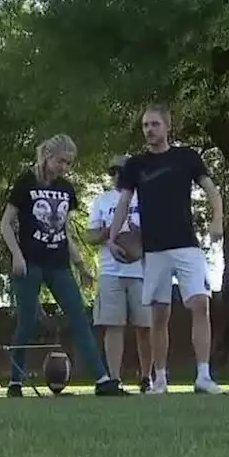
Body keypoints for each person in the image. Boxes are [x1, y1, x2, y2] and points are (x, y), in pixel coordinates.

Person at [108, 103, 225, 395]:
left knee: (200, 304)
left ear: (167, 126)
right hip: (154, 251)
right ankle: (160, 380)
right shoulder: (135, 165)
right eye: (145, 125)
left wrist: (217, 219)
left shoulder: (187, 157)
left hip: (187, 245)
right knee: (159, 316)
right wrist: (112, 237)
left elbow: (212, 190)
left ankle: (203, 376)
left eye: (154, 124)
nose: (149, 130)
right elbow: (123, 203)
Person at [0, 134, 126, 397]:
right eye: (61, 161)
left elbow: (65, 229)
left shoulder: (66, 189)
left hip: (59, 264)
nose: (65, 168)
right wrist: (17, 255)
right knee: (27, 322)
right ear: (47, 156)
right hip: (30, 263)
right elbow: (6, 224)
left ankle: (103, 380)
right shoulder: (26, 182)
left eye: (69, 163)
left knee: (80, 317)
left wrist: (81, 265)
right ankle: (16, 382)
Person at [87, 155, 154, 392]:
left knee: (145, 327)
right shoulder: (102, 200)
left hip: (142, 271)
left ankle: (147, 378)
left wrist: (138, 237)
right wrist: (110, 233)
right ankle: (114, 379)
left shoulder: (146, 197)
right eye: (113, 171)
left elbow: (157, 231)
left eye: (121, 170)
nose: (117, 174)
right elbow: (90, 236)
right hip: (110, 271)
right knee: (113, 325)